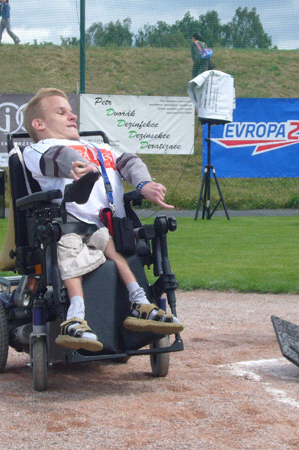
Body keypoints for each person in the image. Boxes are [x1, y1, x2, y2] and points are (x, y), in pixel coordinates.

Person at [22, 88, 183, 352]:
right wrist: (79, 166)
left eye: (71, 111)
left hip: (110, 230)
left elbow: (129, 161)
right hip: (69, 228)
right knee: (73, 257)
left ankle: (141, 304)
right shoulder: (38, 149)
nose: (72, 116)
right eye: (61, 112)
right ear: (39, 124)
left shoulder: (100, 148)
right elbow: (59, 158)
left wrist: (144, 184)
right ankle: (75, 316)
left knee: (121, 257)